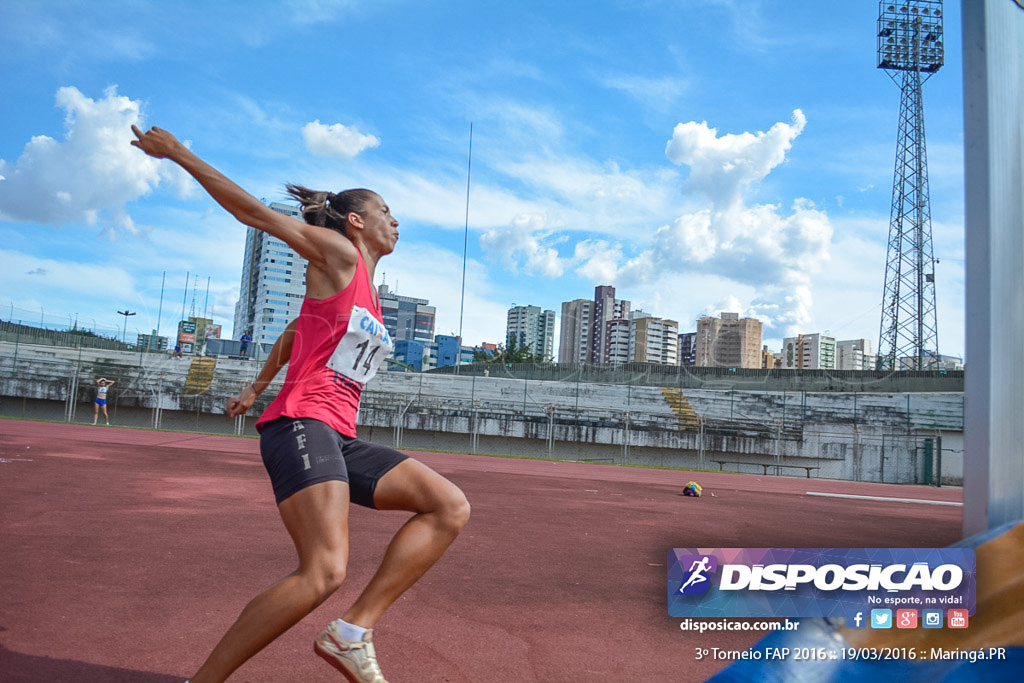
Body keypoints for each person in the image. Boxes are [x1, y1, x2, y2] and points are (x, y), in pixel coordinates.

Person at [131, 125, 470, 683]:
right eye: (386, 209)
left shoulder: (367, 291)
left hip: (336, 432)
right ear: (356, 221)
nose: (396, 219)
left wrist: (255, 385)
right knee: (323, 572)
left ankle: (351, 633)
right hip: (302, 424)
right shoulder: (338, 252)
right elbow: (257, 217)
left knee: (448, 506)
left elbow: (295, 331)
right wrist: (178, 154)